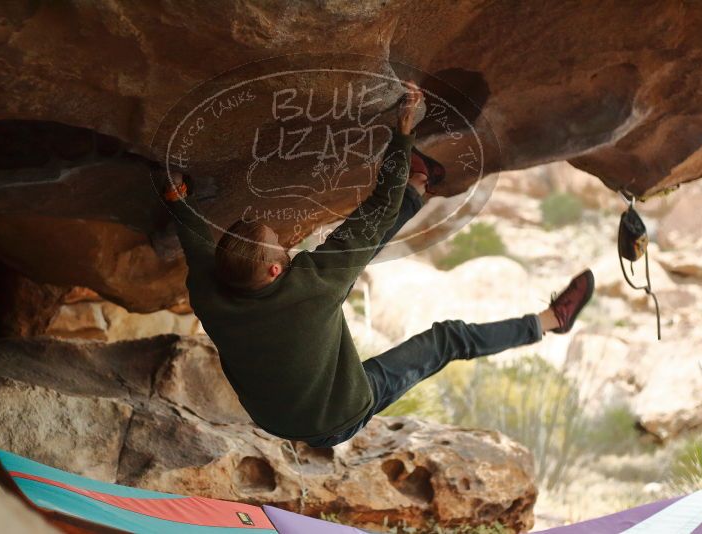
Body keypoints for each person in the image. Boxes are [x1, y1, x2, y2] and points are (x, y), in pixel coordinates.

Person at [159, 82, 595, 448]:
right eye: (282, 248)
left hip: (276, 414)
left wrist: (175, 196)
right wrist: (403, 133)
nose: (287, 247)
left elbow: (192, 234)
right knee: (448, 339)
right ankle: (550, 322)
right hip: (341, 416)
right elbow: (375, 211)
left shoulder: (210, 287)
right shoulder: (305, 287)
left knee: (346, 263)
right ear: (275, 270)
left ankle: (416, 187)